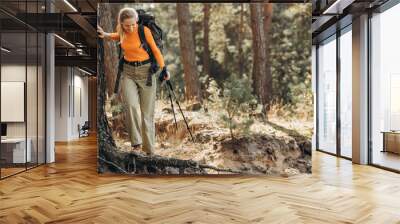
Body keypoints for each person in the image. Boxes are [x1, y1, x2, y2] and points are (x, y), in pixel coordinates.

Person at [97, 7, 169, 156]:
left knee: (147, 113)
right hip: (128, 72)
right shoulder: (122, 30)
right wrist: (105, 35)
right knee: (130, 105)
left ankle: (149, 151)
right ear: (121, 24)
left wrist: (164, 69)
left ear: (136, 21)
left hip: (146, 73)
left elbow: (155, 50)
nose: (130, 28)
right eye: (127, 25)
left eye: (133, 24)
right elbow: (118, 36)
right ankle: (136, 145)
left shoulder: (144, 31)